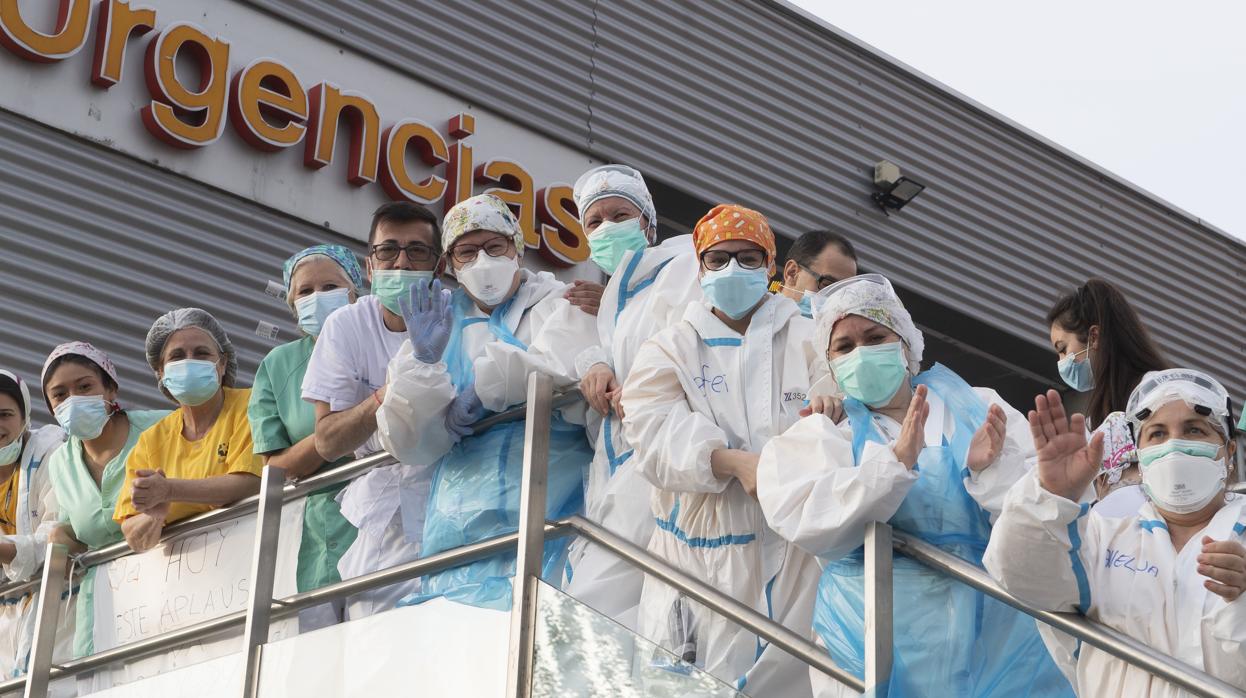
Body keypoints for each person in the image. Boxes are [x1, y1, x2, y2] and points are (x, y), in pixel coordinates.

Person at [756, 273, 1071, 697]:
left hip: (993, 636)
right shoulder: (828, 429)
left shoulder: (975, 406)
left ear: (905, 343)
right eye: (844, 346)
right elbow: (805, 518)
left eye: (874, 336)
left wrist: (990, 471)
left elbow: (1040, 514)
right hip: (866, 633)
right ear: (829, 363)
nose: (861, 353)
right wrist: (893, 465)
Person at [620, 204, 821, 696]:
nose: (734, 269)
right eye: (719, 259)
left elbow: (833, 403)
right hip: (692, 552)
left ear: (772, 265)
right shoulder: (670, 346)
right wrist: (729, 461)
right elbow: (649, 428)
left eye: (749, 258)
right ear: (700, 265)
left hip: (792, 549)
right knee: (679, 684)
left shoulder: (809, 336)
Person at [377, 193, 597, 610]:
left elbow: (569, 363)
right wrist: (424, 365)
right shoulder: (436, 323)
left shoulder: (559, 303)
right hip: (456, 529)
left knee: (539, 630)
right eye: (467, 251)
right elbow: (406, 441)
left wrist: (484, 387)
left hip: (551, 511)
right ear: (450, 265)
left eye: (494, 247)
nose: (482, 260)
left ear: (518, 247)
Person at [985, 369, 1246, 696]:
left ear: (1230, 453)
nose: (1175, 445)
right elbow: (1022, 577)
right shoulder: (1101, 538)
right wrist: (1050, 497)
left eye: (1194, 430)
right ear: (1141, 455)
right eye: (1157, 434)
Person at [561, 164, 700, 629]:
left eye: (620, 214)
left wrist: (641, 389)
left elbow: (690, 342)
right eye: (594, 222)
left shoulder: (683, 268)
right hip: (618, 464)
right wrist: (592, 363)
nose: (606, 228)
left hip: (665, 459)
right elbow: (613, 351)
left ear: (649, 223)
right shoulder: (615, 297)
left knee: (608, 604)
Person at [300, 202, 441, 619]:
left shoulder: (460, 316)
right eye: (388, 250)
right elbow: (327, 441)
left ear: (439, 267)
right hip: (383, 508)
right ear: (368, 266)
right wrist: (386, 395)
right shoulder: (346, 325)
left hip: (451, 496)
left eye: (417, 251)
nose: (401, 262)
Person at [248, 244, 364, 629]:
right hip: (317, 540)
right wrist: (335, 432)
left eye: (330, 285)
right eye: (305, 291)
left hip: (385, 525)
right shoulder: (278, 365)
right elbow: (273, 468)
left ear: (355, 292)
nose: (317, 298)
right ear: (292, 303)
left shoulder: (380, 339)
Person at [41, 342, 168, 658]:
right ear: (51, 408)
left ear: (111, 389)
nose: (74, 399)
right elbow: (74, 531)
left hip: (175, 589)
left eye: (85, 387)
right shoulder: (60, 463)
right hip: (106, 613)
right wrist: (61, 538)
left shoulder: (162, 427)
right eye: (60, 395)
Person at [114, 309, 263, 552]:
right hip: (192, 584)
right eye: (177, 356)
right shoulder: (151, 441)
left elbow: (249, 482)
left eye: (201, 353)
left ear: (222, 364)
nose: (189, 361)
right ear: (161, 372)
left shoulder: (252, 405)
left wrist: (169, 492)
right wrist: (155, 517)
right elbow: (133, 533)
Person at [1047, 279, 1168, 516]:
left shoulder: (1156, 394)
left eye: (1063, 349)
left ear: (1094, 337)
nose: (1061, 362)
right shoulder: (1096, 420)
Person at [0, 370, 65, 679]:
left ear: (25, 416)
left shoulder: (53, 453)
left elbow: (56, 538)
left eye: (5, 414)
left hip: (54, 607)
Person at [772, 229, 860, 317]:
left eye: (844, 293)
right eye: (827, 285)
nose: (835, 300)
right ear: (792, 273)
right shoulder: (759, 316)